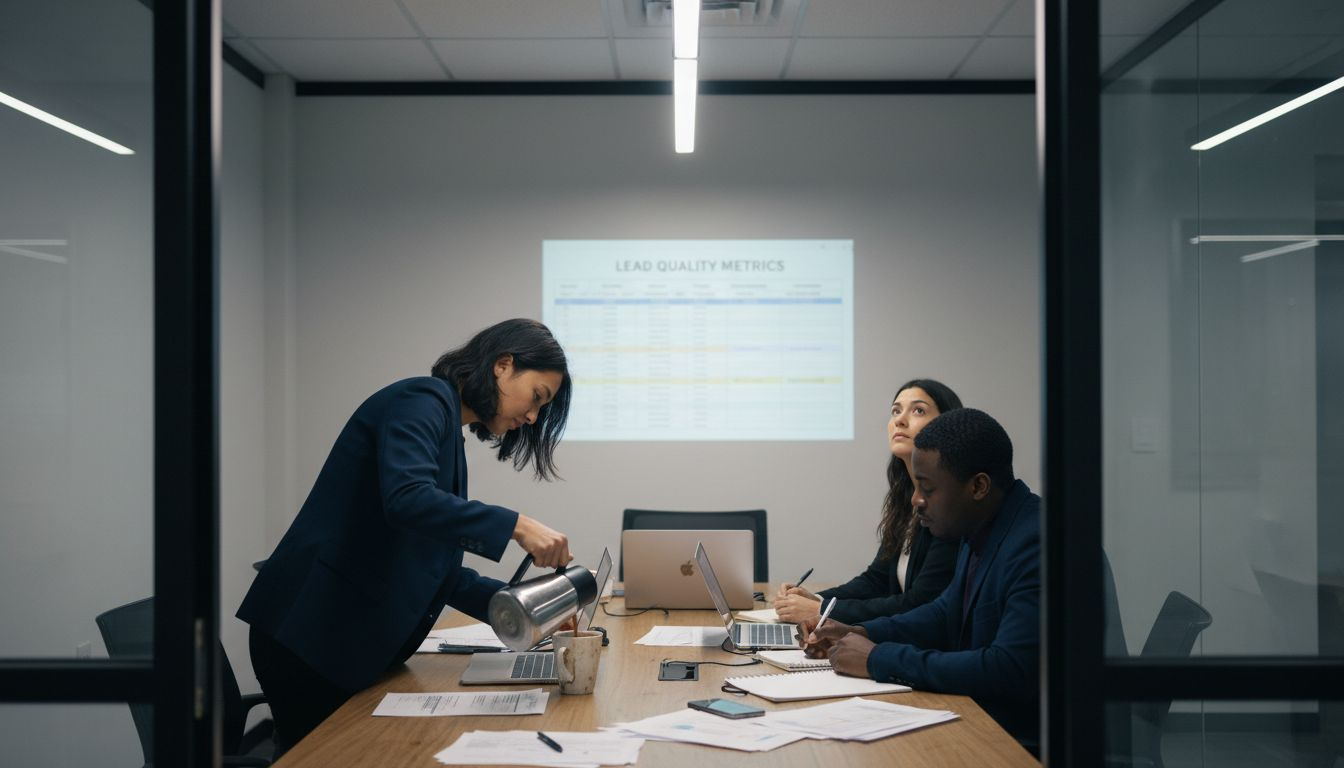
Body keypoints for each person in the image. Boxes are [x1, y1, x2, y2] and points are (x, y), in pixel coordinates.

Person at [238, 318, 575, 755]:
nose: (532, 417)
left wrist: (522, 610)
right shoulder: (421, 399)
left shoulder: (446, 429)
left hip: (335, 638)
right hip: (310, 635)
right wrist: (517, 524)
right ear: (503, 365)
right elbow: (408, 499)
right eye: (537, 397)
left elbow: (440, 569)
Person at [799, 408, 1041, 751]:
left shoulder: (1036, 542)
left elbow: (1008, 669)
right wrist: (860, 632)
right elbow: (943, 613)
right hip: (984, 722)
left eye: (927, 488)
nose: (916, 501)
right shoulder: (981, 527)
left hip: (1022, 744)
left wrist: (878, 658)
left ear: (978, 486)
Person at [774, 379, 961, 625]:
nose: (900, 420)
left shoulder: (950, 507)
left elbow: (920, 603)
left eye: (918, 410)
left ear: (946, 425)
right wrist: (815, 598)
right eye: (896, 411)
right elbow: (876, 580)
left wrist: (821, 610)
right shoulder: (906, 499)